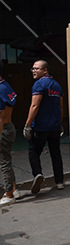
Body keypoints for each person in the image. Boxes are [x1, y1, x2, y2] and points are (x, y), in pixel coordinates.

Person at [24, 60, 65, 195]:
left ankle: (37, 174)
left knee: (33, 151)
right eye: (33, 68)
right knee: (55, 153)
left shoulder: (39, 84)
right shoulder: (57, 86)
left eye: (37, 69)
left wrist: (27, 124)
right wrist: (59, 123)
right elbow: (60, 107)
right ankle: (59, 181)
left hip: (40, 127)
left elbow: (34, 106)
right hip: (54, 127)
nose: (34, 71)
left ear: (45, 70)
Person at [0, 62, 18, 205]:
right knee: (7, 160)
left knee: (4, 163)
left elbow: (0, 117)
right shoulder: (5, 85)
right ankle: (14, 189)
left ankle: (9, 195)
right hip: (9, 126)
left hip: (3, 129)